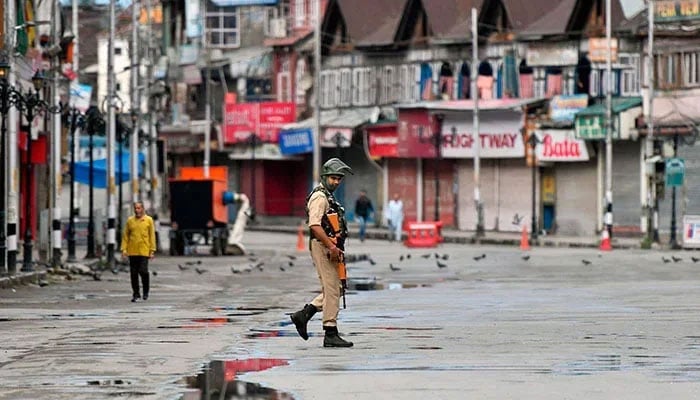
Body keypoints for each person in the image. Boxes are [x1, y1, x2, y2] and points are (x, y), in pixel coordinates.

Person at [290, 158, 354, 348]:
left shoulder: (328, 196)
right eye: (333, 178)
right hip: (323, 246)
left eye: (339, 179)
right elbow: (315, 225)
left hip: (331, 246)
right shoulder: (319, 197)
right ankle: (330, 332)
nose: (336, 182)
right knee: (333, 288)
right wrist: (331, 246)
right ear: (325, 176)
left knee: (337, 287)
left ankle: (304, 315)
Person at [121, 202, 157, 302]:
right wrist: (124, 249)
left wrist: (152, 250)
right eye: (135, 208)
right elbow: (126, 236)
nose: (137, 210)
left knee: (143, 271)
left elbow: (152, 236)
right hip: (132, 251)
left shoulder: (148, 220)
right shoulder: (130, 221)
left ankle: (146, 290)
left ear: (143, 209)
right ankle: (136, 293)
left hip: (144, 250)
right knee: (133, 273)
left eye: (139, 208)